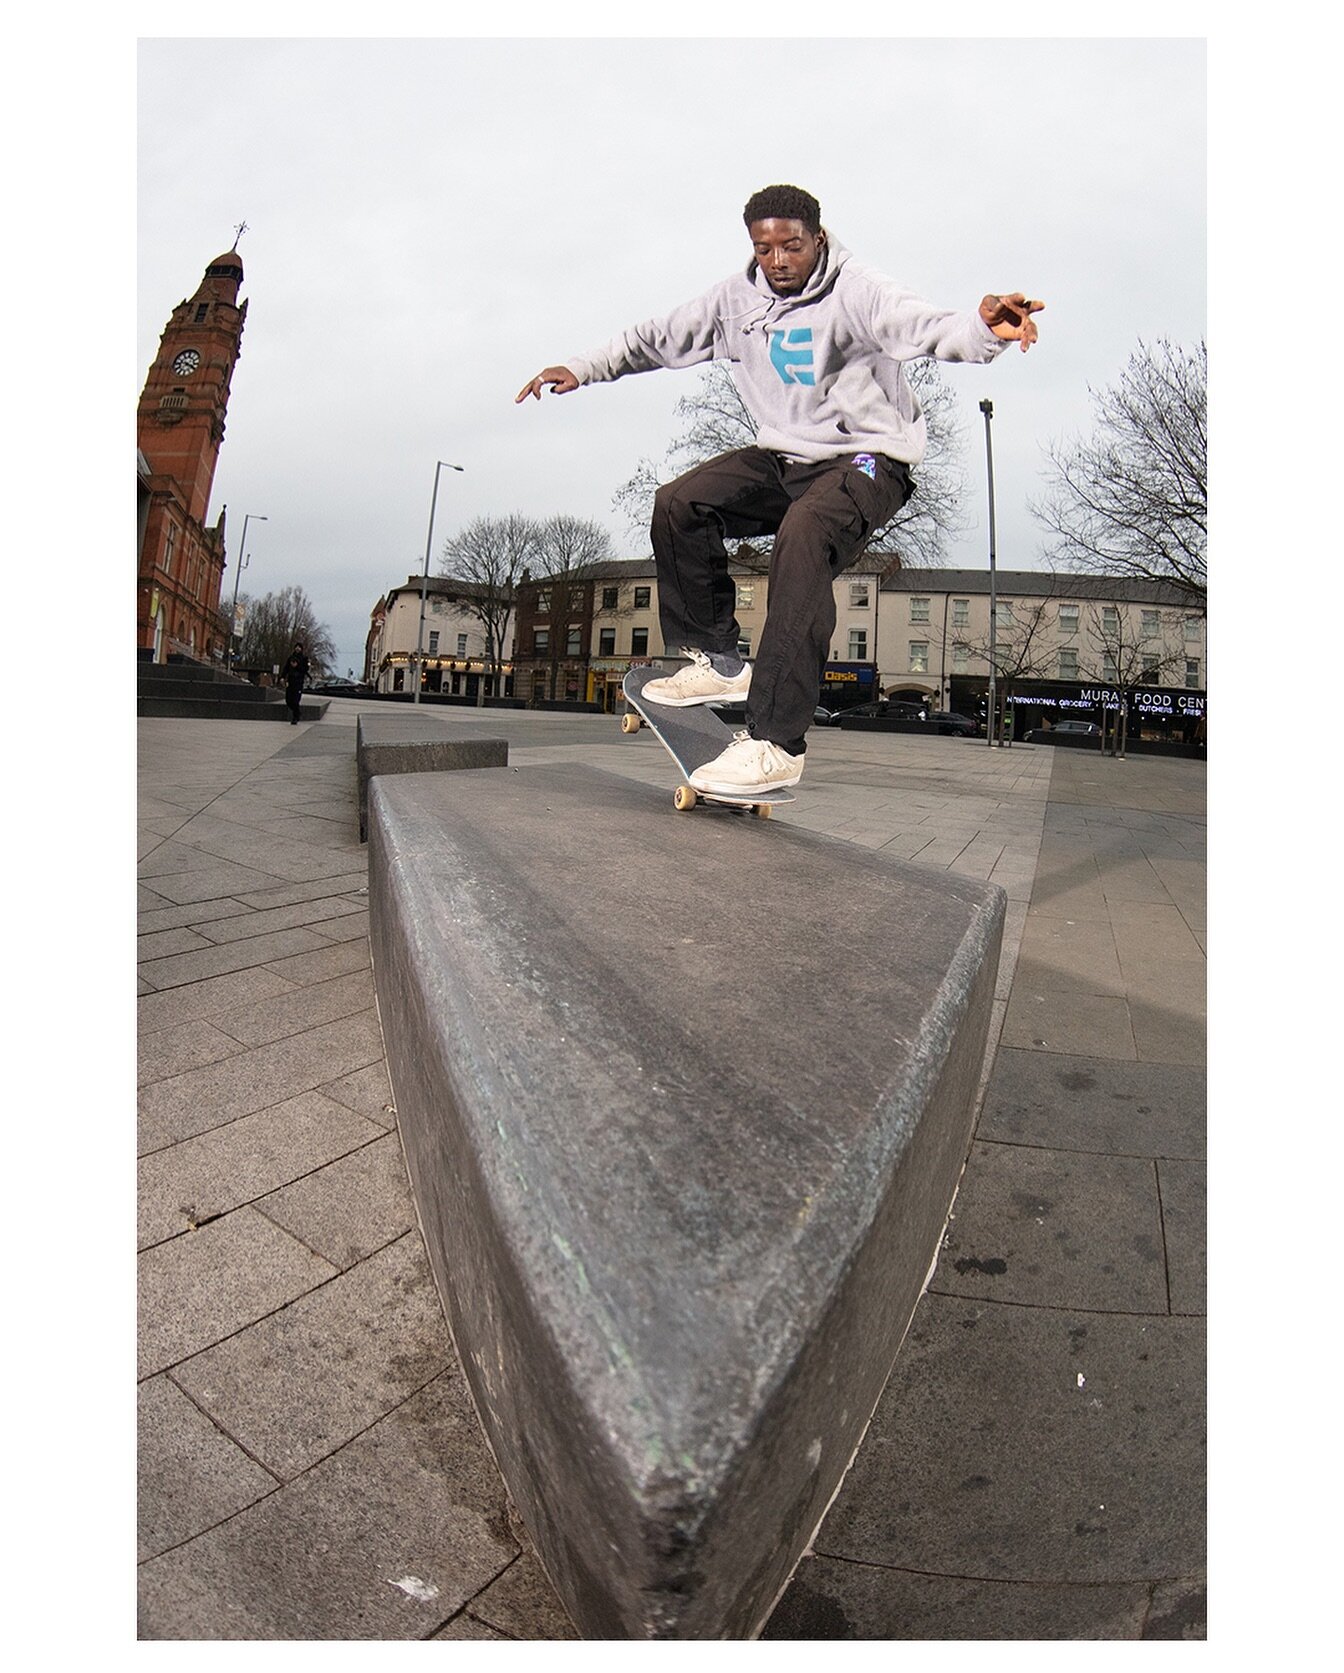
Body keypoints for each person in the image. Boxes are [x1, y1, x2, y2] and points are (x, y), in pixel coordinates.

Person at [517, 183, 1043, 796]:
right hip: (784, 458)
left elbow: (922, 327)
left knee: (805, 532)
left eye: (791, 246)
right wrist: (581, 368)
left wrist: (983, 331)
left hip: (871, 460)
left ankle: (777, 742)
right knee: (680, 503)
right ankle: (716, 659)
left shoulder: (858, 289)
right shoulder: (732, 303)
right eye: (764, 249)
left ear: (818, 238)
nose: (778, 261)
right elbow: (653, 338)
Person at [282, 642, 309, 725]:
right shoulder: (290, 658)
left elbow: (305, 670)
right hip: (290, 681)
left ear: (301, 649)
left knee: (296, 700)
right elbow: (286, 668)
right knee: (288, 700)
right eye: (296, 647)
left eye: (299, 647)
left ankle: (295, 717)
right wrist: (282, 677)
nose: (297, 649)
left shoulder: (304, 658)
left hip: (298, 682)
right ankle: (297, 712)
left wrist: (297, 666)